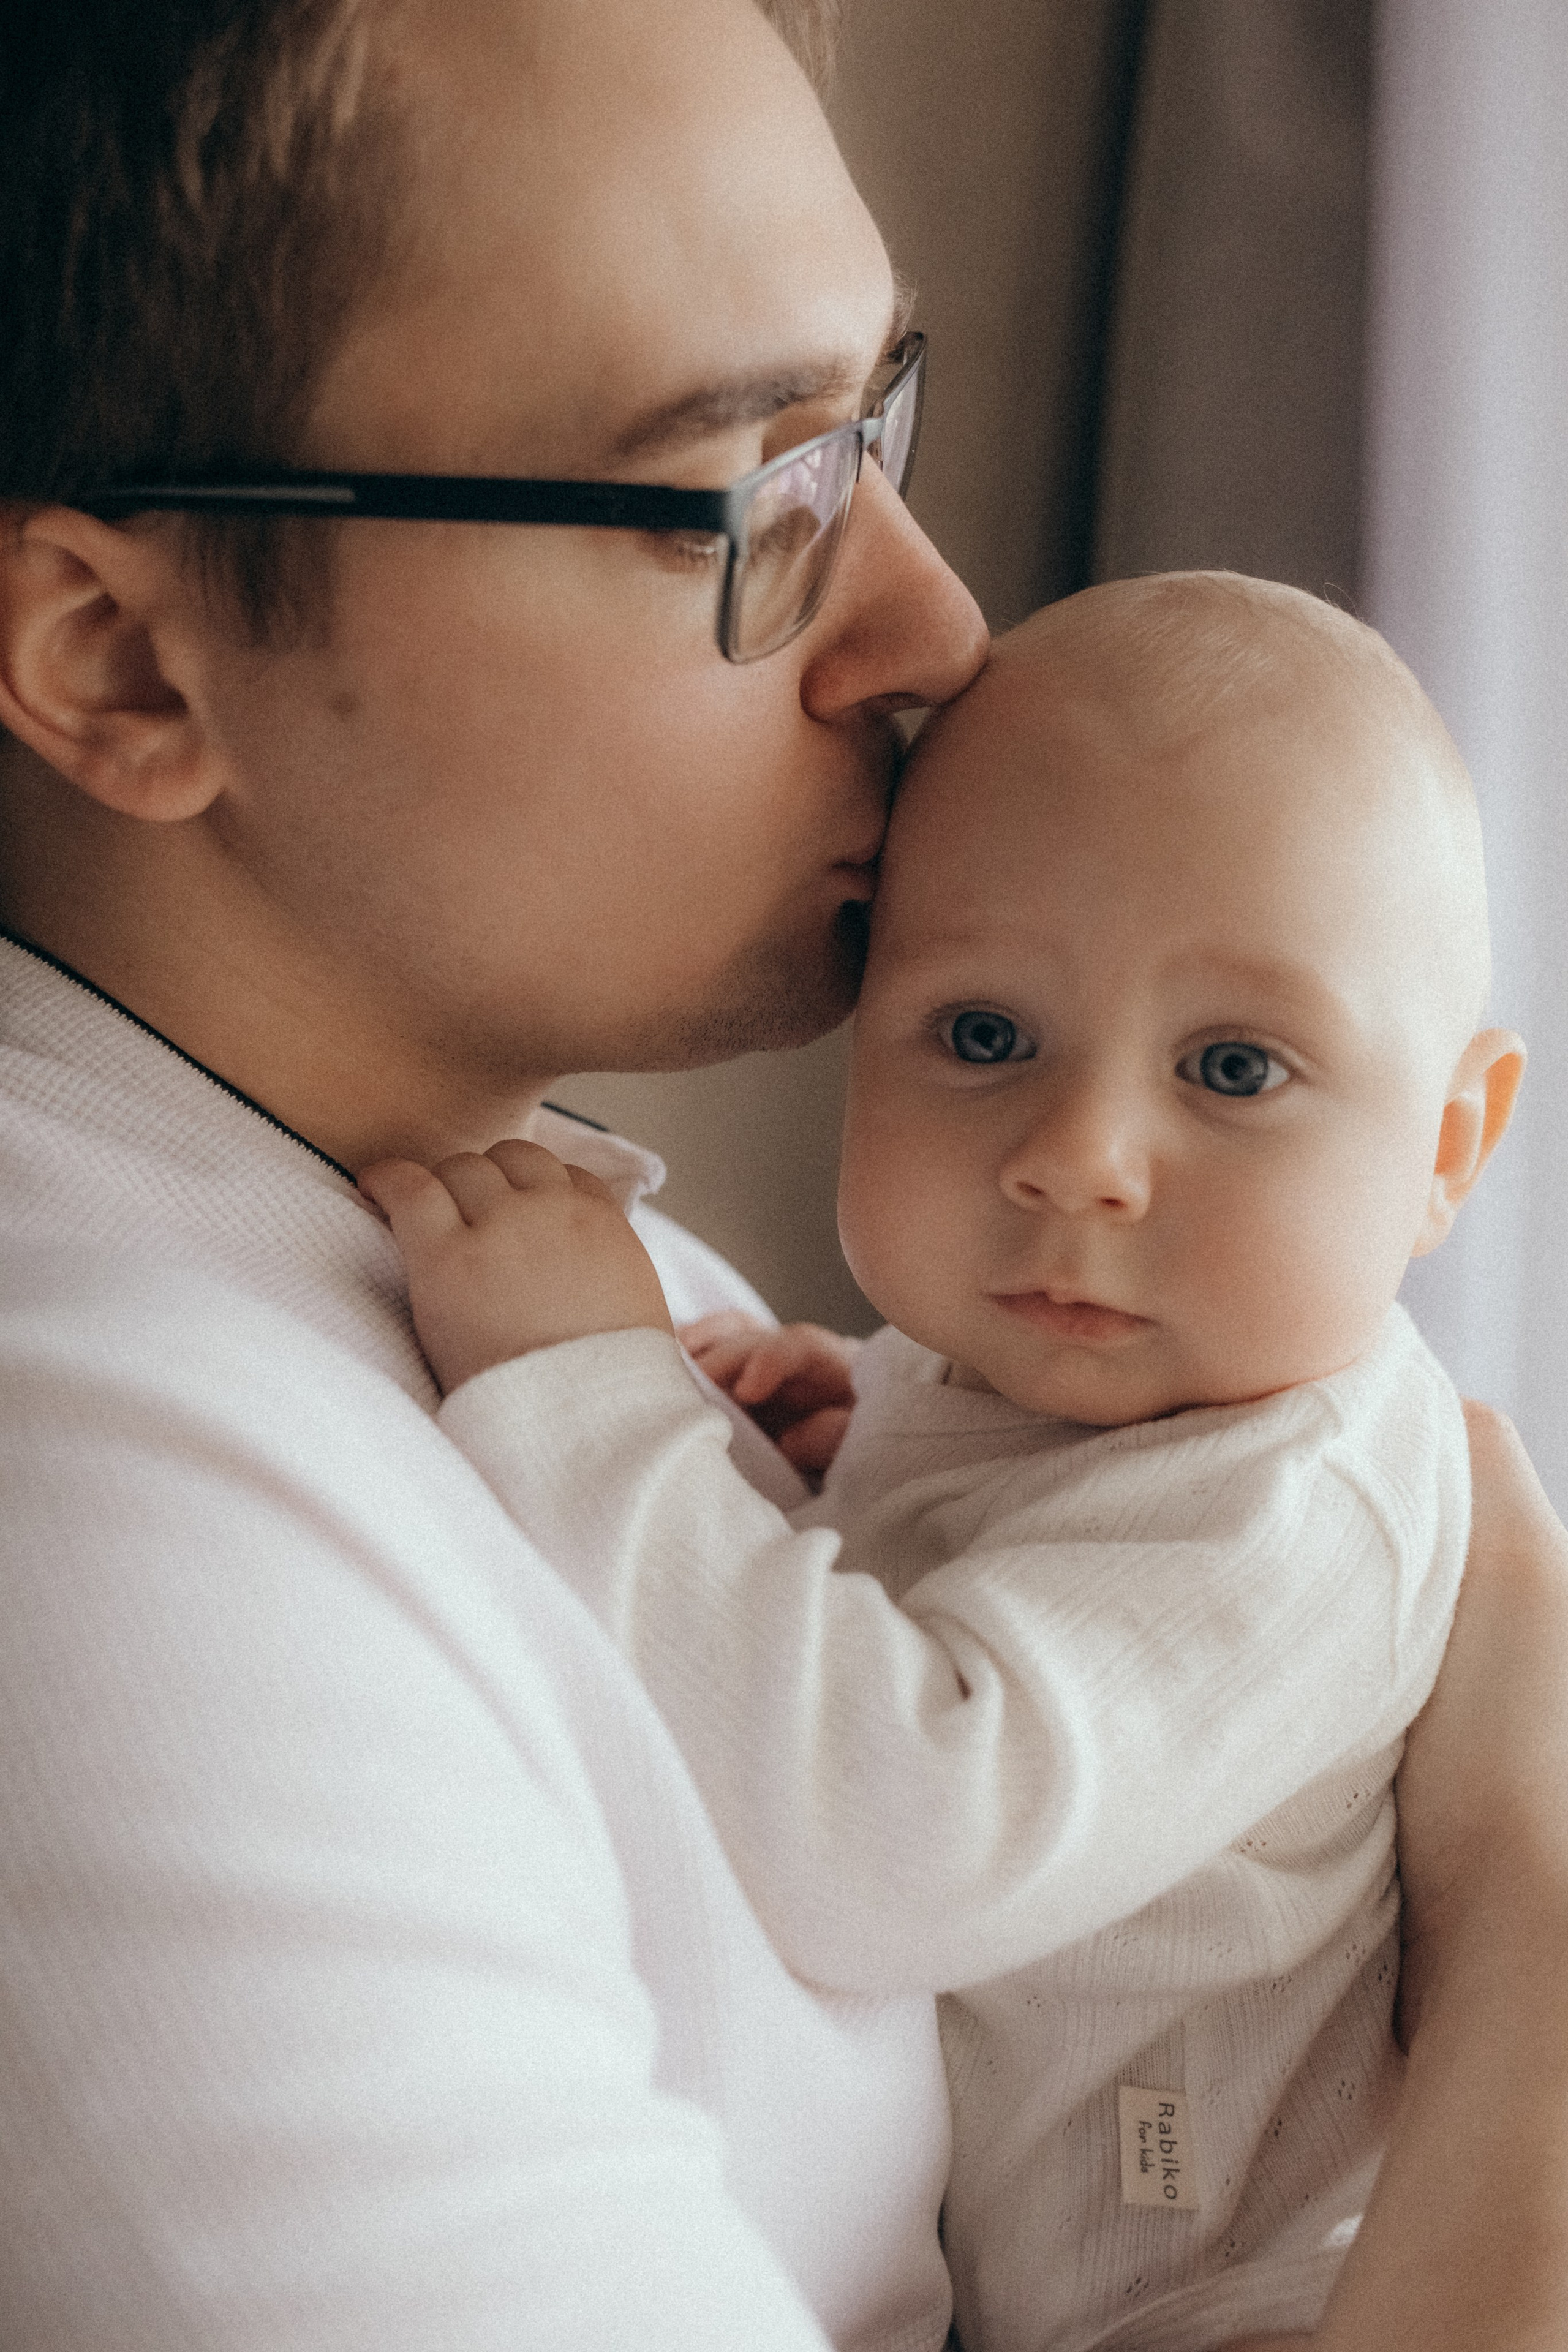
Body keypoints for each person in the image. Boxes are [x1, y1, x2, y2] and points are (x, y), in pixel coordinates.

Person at [0, 3, 1564, 2348]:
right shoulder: (112, 1549)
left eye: (879, 426)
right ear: (126, 663)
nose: (938, 631)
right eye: (750, 495)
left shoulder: (566, 1262)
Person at [357, 572, 1525, 2350]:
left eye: (1232, 1067)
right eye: (984, 1038)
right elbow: (1037, 1586)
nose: (1081, 1158)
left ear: (1448, 1148)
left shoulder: (1307, 1494)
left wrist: (589, 1403)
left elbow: (902, 1831)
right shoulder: (1067, 1384)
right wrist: (866, 1447)